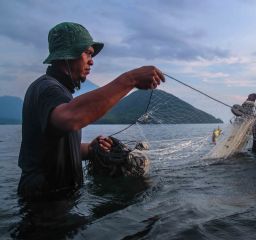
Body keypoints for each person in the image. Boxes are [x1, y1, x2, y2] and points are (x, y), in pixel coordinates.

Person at [17, 22, 165, 200]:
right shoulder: (48, 88)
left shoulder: (58, 91)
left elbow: (51, 149)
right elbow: (70, 118)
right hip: (44, 207)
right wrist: (130, 79)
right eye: (87, 53)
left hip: (59, 201)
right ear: (68, 55)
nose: (91, 60)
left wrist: (90, 149)